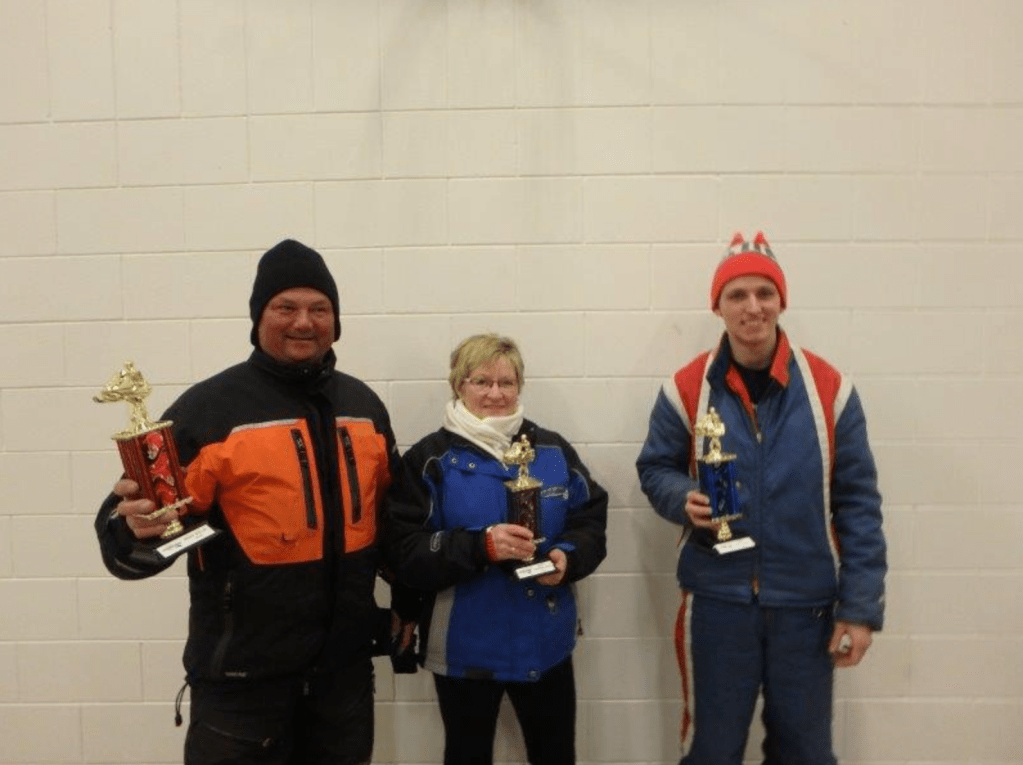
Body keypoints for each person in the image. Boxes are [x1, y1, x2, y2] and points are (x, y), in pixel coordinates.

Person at [94, 239, 416, 765]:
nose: (303, 322)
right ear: (258, 317)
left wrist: (410, 598)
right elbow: (132, 536)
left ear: (336, 320)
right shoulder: (209, 411)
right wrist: (131, 533)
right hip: (241, 690)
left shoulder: (364, 408)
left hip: (343, 682)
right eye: (285, 307)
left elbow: (394, 522)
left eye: (319, 308)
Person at [636, 232, 886, 765]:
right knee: (710, 751)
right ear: (718, 306)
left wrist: (860, 608)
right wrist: (683, 497)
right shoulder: (685, 388)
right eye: (737, 295)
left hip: (806, 606)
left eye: (764, 293)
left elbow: (859, 504)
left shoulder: (830, 390)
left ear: (781, 301)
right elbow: (654, 468)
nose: (752, 307)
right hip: (716, 602)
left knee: (806, 754)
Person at [386, 333, 608, 765]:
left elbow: (590, 518)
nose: (495, 393)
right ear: (459, 384)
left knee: (556, 755)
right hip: (464, 646)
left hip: (546, 641)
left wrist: (569, 556)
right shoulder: (430, 459)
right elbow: (404, 550)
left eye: (507, 382)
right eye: (482, 382)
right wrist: (479, 546)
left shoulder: (552, 450)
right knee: (467, 756)